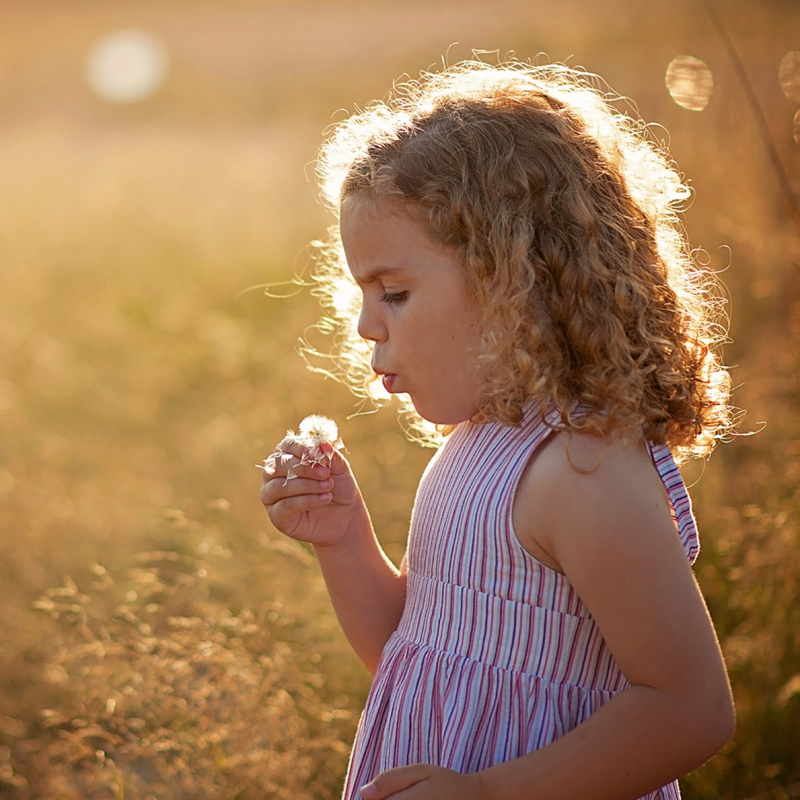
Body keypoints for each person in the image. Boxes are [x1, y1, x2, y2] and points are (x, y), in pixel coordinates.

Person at [260, 60, 736, 800]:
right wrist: (344, 539)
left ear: (516, 281)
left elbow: (691, 708)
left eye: (394, 292)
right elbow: (410, 657)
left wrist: (486, 793)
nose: (363, 324)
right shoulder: (477, 444)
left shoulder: (581, 473)